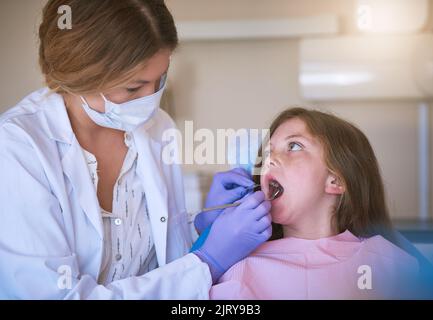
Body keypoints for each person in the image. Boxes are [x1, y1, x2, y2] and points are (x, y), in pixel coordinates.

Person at [0, 0, 271, 299]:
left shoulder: (158, 128)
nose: (151, 99)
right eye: (133, 88)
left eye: (160, 80)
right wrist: (207, 262)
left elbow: (162, 260)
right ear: (80, 75)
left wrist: (203, 226)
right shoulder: (18, 148)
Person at [209, 108, 427, 299]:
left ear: (336, 180)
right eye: (268, 152)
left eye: (294, 146)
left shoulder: (391, 266)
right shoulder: (240, 271)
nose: (270, 159)